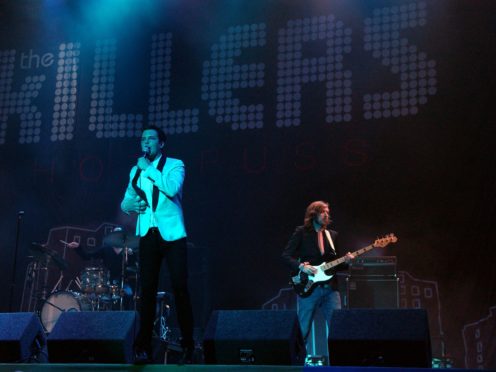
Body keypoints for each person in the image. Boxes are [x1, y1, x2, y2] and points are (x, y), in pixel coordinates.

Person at [120, 125, 194, 364]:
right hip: (148, 234)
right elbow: (125, 202)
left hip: (172, 235)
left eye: (151, 139)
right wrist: (133, 206)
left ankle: (188, 344)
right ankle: (143, 347)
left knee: (180, 288)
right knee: (147, 291)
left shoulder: (175, 165)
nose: (146, 142)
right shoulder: (136, 170)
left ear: (161, 143)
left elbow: (171, 188)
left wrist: (149, 169)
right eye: (143, 139)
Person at [282, 200, 354, 355]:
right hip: (309, 289)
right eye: (323, 211)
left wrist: (346, 261)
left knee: (338, 329)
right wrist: (302, 266)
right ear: (313, 214)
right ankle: (298, 365)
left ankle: (339, 364)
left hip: (331, 290)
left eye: (328, 212)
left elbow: (335, 265)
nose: (326, 214)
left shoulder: (332, 235)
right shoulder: (301, 232)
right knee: (303, 330)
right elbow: (286, 256)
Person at [67, 226, 137, 308]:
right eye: (115, 235)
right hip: (109, 283)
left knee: (129, 295)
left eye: (119, 235)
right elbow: (87, 256)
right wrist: (78, 247)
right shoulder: (105, 249)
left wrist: (132, 254)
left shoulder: (128, 250)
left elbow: (135, 266)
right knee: (105, 299)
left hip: (125, 283)